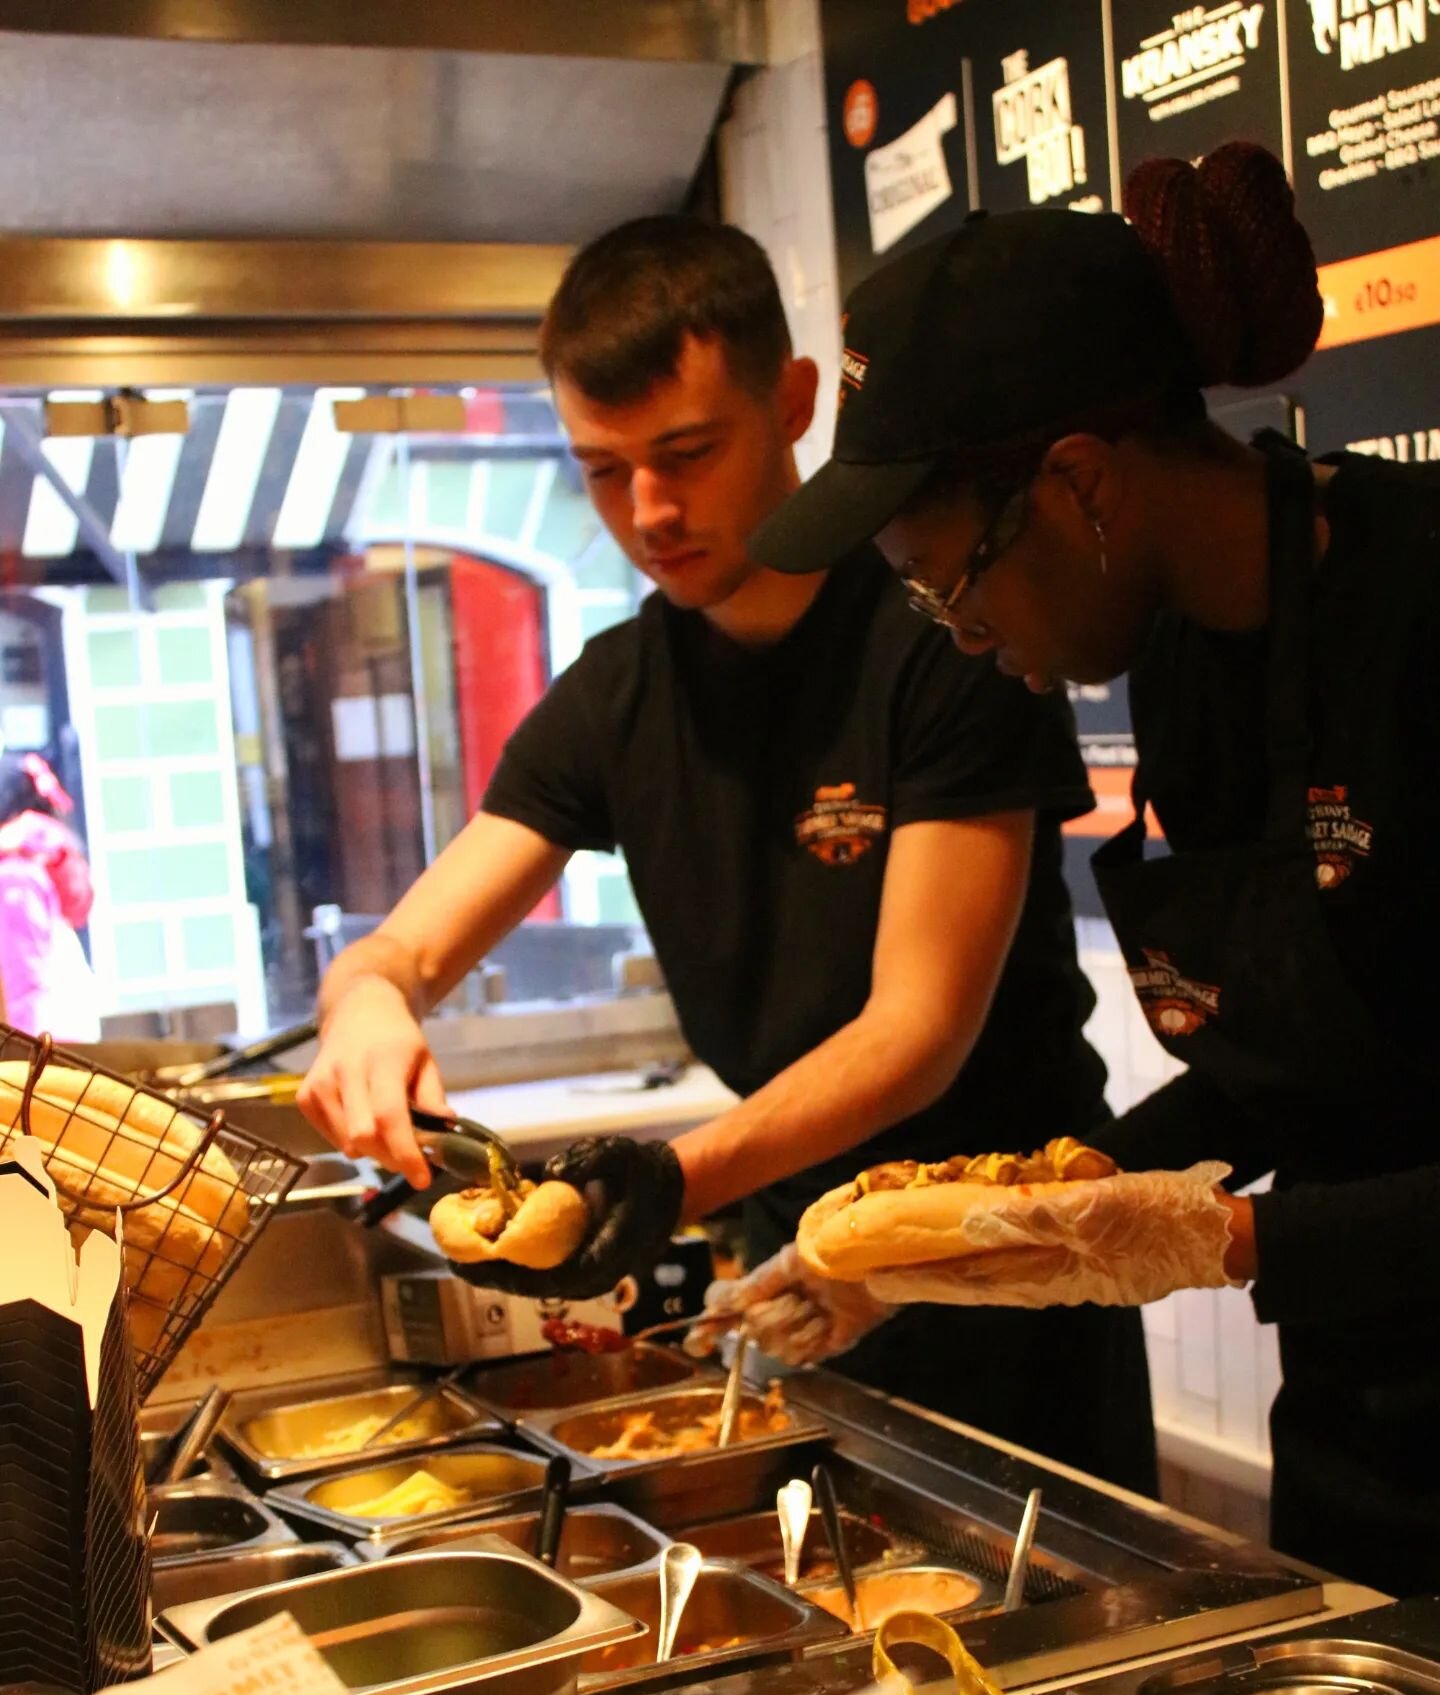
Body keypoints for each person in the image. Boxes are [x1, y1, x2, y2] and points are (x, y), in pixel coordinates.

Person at [299, 215, 1157, 1491]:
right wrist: (366, 1006)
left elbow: (915, 1031)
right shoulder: (618, 695)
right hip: (786, 1271)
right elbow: (406, 944)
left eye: (685, 453)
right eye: (600, 470)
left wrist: (666, 1178)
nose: (648, 511)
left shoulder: (937, 632)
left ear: (794, 402)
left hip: (998, 1255)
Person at [747, 142, 1440, 1593]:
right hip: (1366, 1443)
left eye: (949, 584)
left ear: (1078, 485)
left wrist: (1222, 1237)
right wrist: (981, 1236)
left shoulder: (1422, 615)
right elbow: (1288, 1064)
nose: (962, 634)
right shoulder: (1188, 663)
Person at [0, 752, 100, 1042]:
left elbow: (24, 983)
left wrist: (20, 1053)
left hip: (43, 1048)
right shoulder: (36, 859)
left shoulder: (14, 877)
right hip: (65, 1037)